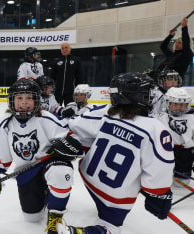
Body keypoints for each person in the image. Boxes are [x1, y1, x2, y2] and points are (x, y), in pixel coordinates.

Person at [57, 72, 175, 234]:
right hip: (115, 197)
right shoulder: (155, 129)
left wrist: (74, 141)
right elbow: (160, 168)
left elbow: (77, 126)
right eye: (147, 92)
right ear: (137, 96)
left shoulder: (107, 112)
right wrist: (159, 194)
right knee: (111, 227)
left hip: (88, 178)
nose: (150, 96)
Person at [0, 79, 81, 234]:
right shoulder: (5, 123)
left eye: (29, 98)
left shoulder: (46, 118)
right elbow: (1, 153)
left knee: (61, 173)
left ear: (36, 100)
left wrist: (69, 144)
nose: (24, 103)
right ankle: (47, 194)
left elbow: (69, 138)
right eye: (19, 98)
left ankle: (55, 215)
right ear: (11, 101)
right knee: (31, 217)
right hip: (26, 171)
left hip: (49, 164)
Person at [157, 87, 194, 186]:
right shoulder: (159, 118)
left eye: (183, 105)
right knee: (160, 181)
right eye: (176, 104)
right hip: (164, 153)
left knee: (181, 184)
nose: (179, 107)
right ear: (168, 103)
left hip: (185, 155)